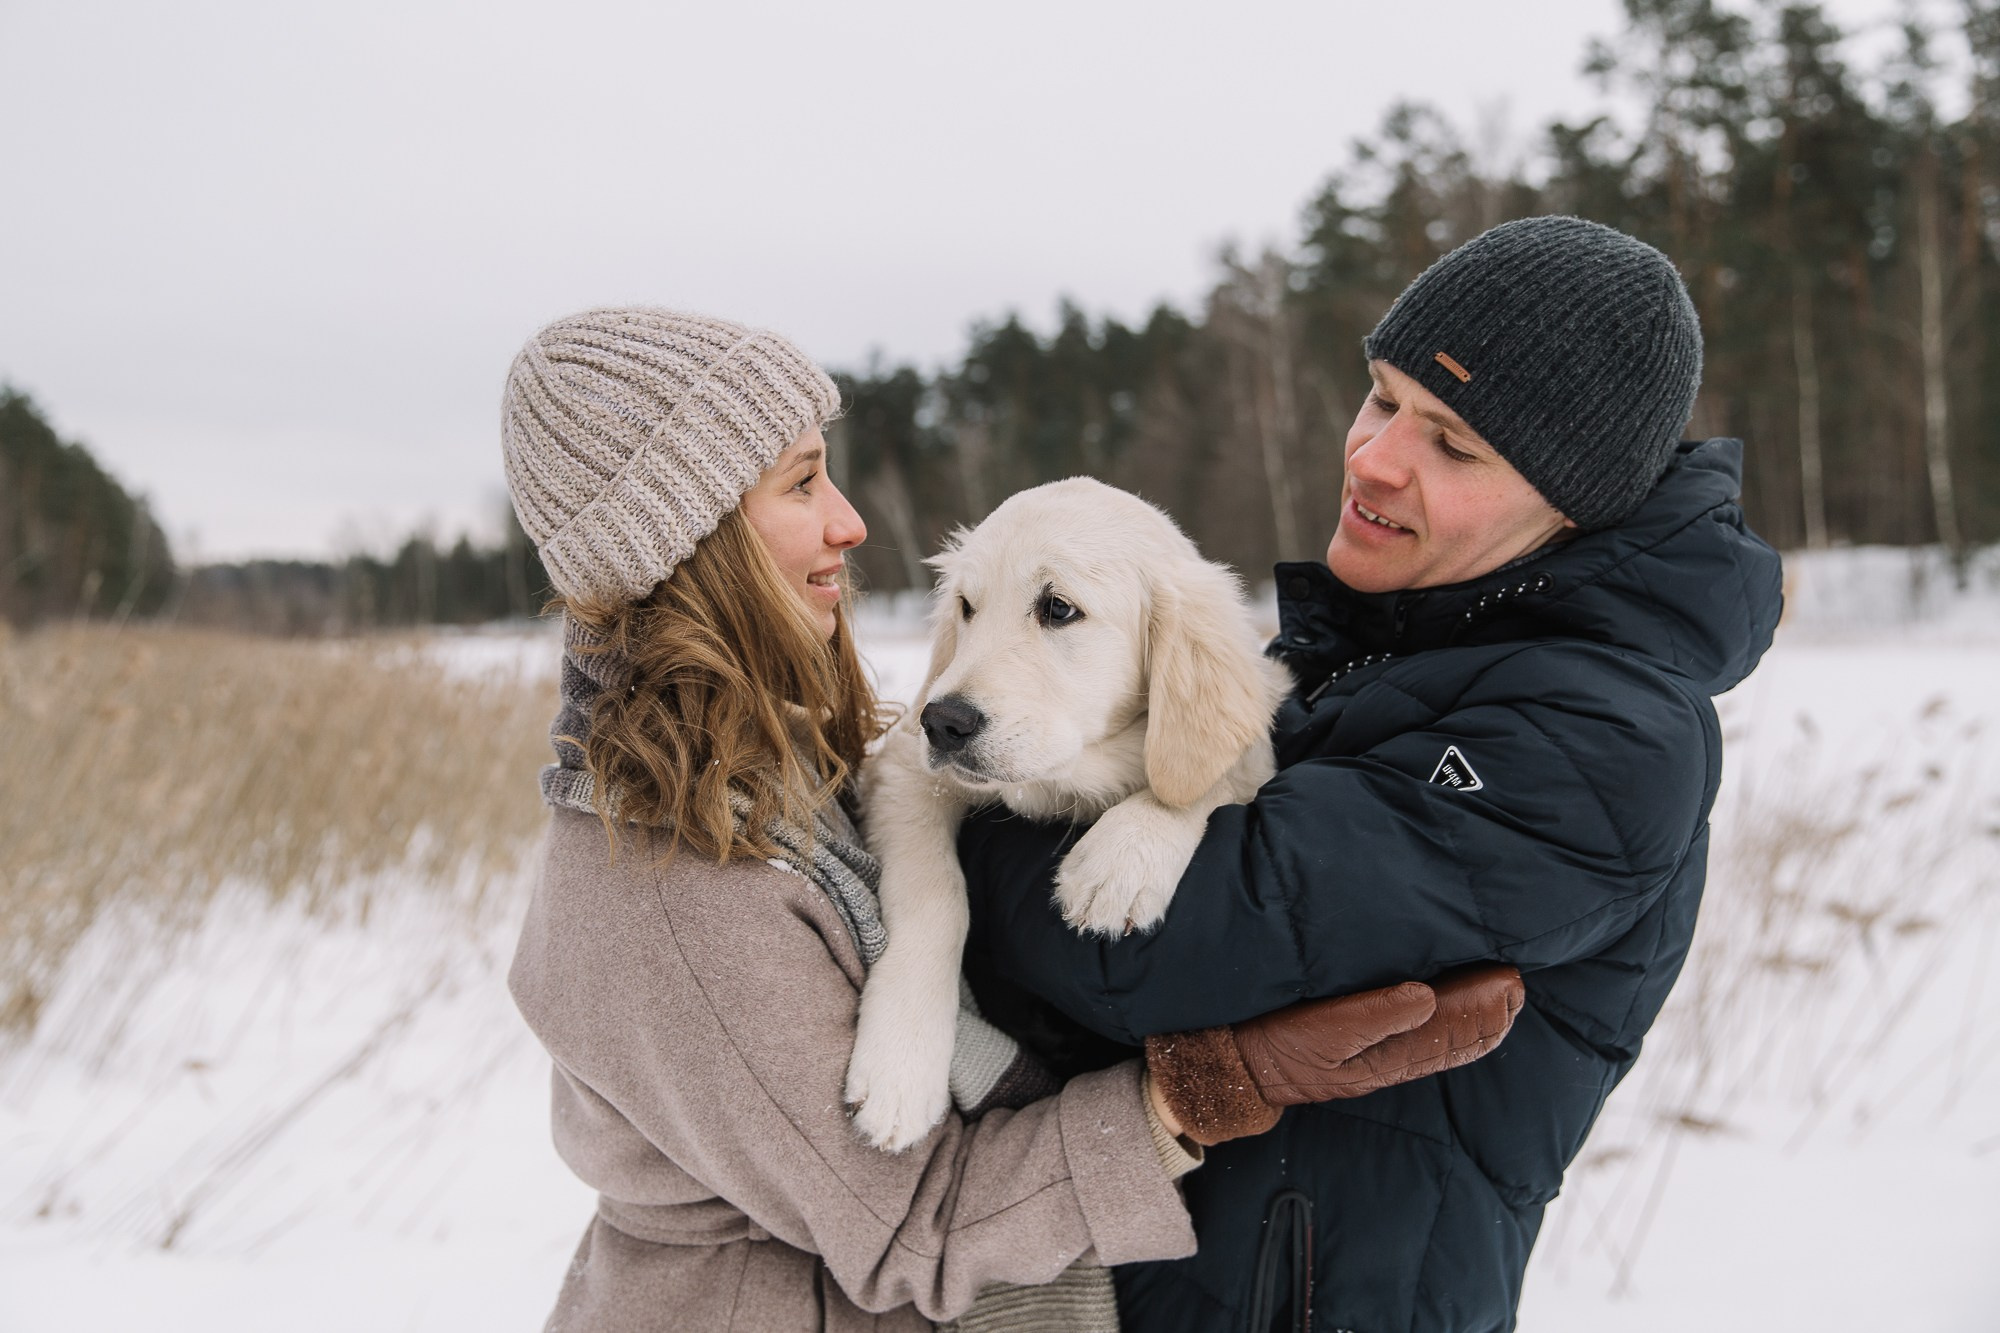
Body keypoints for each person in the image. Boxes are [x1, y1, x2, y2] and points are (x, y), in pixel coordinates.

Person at [498, 307, 1524, 1332]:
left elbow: (1191, 745)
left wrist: (1173, 813)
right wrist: (1198, 1089)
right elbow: (917, 1227)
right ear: (696, 531)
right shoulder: (669, 884)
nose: (850, 523)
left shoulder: (754, 768)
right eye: (802, 481)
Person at [957, 216, 1787, 1332]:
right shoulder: (1366, 650)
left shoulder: (1606, 735)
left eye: (1453, 444)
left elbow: (1158, 945)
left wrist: (964, 802)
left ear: (1573, 503)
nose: (1375, 455)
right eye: (1383, 397)